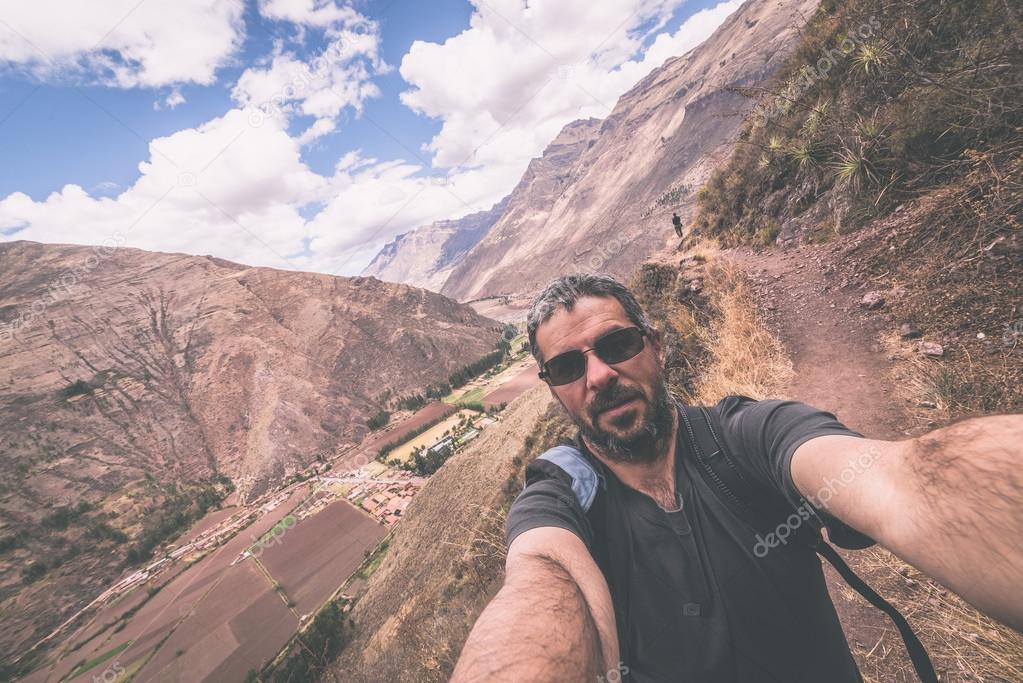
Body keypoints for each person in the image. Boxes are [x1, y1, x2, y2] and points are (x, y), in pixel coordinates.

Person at [451, 272, 1023, 682]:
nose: (598, 375)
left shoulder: (744, 434)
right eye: (569, 367)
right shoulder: (561, 491)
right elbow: (543, 578)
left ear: (656, 347)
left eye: (617, 344)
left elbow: (902, 480)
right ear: (554, 390)